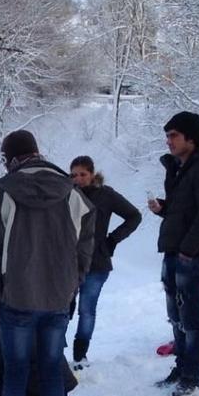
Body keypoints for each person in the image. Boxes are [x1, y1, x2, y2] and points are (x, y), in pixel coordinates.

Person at [0, 130, 94, 396]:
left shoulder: (6, 194)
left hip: (16, 298)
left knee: (15, 373)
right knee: (52, 372)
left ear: (11, 158)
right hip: (58, 298)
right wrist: (74, 282)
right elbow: (86, 245)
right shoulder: (72, 194)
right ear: (37, 152)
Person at [147, 111, 199, 396]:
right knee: (176, 316)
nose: (168, 141)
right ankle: (181, 367)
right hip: (174, 250)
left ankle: (192, 375)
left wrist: (188, 250)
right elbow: (186, 211)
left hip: (193, 255)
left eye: (173, 136)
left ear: (190, 138)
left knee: (191, 317)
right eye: (167, 136)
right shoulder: (180, 167)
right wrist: (164, 209)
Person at [68, 156, 142, 367]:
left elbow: (134, 216)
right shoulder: (65, 193)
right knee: (62, 308)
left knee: (87, 309)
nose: (78, 179)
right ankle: (56, 352)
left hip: (97, 262)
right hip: (68, 262)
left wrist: (112, 239)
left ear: (92, 174)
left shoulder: (105, 195)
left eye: (82, 174)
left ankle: (80, 356)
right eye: (73, 175)